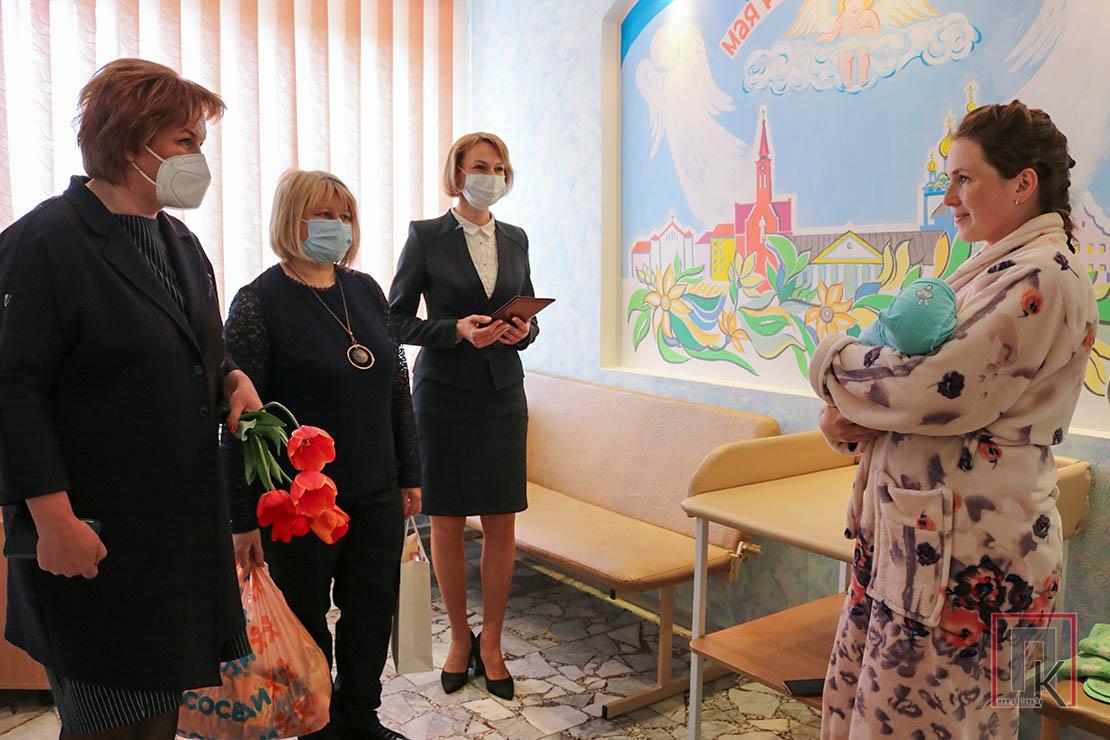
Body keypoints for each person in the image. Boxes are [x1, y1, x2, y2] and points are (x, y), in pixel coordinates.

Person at [809, 100, 1098, 739]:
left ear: (1024, 183)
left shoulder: (1043, 276)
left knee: (939, 724)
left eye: (964, 179)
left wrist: (831, 361)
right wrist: (854, 421)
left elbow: (933, 386)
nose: (948, 199)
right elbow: (922, 395)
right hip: (931, 548)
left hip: (967, 562)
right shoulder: (998, 268)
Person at [0, 59, 260, 739]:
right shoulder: (46, 240)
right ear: (130, 141)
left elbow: (196, 345)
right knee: (108, 723)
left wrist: (231, 379)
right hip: (92, 533)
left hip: (172, 539)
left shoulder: (179, 241)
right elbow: (14, 390)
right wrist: (54, 521)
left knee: (155, 720)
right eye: (185, 141)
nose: (198, 158)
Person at [222, 169, 421, 740]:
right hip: (296, 502)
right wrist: (241, 516)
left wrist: (410, 471)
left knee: (371, 608)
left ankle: (361, 715)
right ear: (292, 219)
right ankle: (316, 722)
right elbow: (239, 421)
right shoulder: (258, 301)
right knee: (306, 616)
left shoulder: (366, 290)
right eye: (323, 215)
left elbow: (395, 384)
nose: (337, 225)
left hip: (375, 487)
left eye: (344, 215)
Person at [388, 132, 539, 700]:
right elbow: (394, 320)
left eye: (500, 168)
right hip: (443, 394)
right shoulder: (426, 236)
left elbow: (528, 313)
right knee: (447, 520)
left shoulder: (517, 237)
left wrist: (524, 331)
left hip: (503, 393)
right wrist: (454, 329)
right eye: (480, 166)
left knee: (502, 520)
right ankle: (458, 638)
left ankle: (492, 642)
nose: (491, 176)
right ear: (457, 174)